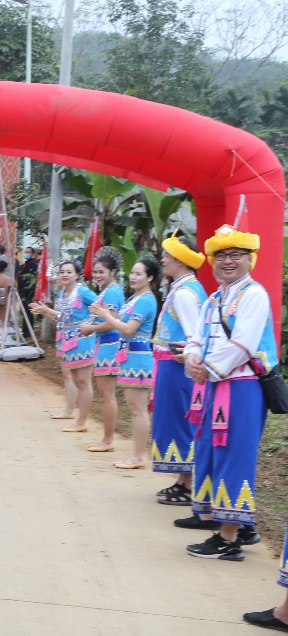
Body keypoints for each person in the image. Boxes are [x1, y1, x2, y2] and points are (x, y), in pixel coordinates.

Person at [175, 224, 275, 560]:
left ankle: (229, 538)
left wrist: (205, 367)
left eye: (236, 255)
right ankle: (232, 525)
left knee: (233, 455)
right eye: (222, 256)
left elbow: (243, 344)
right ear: (212, 261)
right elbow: (196, 338)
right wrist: (191, 357)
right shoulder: (214, 298)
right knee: (209, 450)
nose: (228, 261)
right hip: (214, 385)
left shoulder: (255, 295)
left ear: (250, 260)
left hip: (241, 388)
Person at [150, 233, 206, 504]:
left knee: (179, 422)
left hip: (177, 368)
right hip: (173, 366)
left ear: (181, 261)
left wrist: (187, 351)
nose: (163, 259)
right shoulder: (184, 288)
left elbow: (196, 333)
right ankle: (183, 480)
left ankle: (187, 484)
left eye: (168, 256)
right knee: (177, 422)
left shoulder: (184, 294)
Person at [89, 257, 160, 469]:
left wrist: (105, 316)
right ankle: (136, 454)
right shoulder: (135, 298)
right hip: (129, 357)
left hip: (139, 358)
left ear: (150, 277)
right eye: (132, 273)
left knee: (138, 409)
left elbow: (128, 329)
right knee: (134, 407)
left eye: (139, 274)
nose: (133, 277)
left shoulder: (146, 299)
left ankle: (138, 456)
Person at [29, 260, 96, 431]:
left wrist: (94, 327)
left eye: (69, 272)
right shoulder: (61, 295)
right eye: (62, 272)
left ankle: (81, 420)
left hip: (82, 340)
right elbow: (59, 320)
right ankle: (74, 415)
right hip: (67, 340)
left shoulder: (84, 292)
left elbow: (101, 309)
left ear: (77, 275)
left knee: (83, 381)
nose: (64, 275)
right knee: (73, 378)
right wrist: (45, 313)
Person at [78, 249, 124, 453]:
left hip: (110, 346)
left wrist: (91, 329)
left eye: (101, 272)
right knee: (106, 396)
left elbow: (111, 323)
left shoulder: (112, 292)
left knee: (107, 396)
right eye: (94, 272)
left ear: (112, 272)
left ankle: (108, 439)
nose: (96, 275)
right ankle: (107, 438)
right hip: (103, 346)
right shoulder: (107, 291)